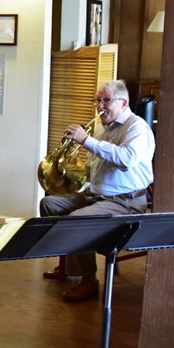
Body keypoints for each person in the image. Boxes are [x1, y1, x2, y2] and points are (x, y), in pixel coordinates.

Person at [41, 79, 154, 301]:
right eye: (98, 100)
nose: (100, 106)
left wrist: (87, 140)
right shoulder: (106, 128)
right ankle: (70, 267)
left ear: (123, 103)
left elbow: (126, 159)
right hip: (97, 195)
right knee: (49, 204)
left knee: (76, 220)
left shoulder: (137, 127)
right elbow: (96, 165)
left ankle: (89, 280)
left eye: (106, 100)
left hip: (125, 201)